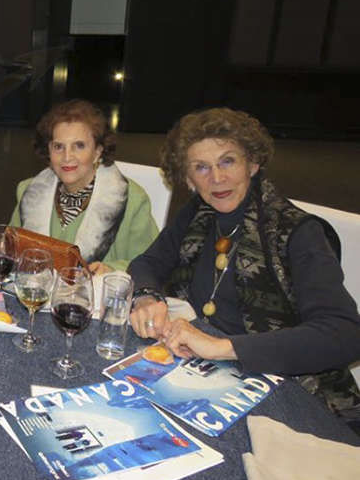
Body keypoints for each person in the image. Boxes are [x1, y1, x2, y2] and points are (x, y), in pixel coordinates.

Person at [128, 107, 360, 420]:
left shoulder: (297, 233)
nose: (217, 178)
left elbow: (344, 334)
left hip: (290, 394)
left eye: (228, 161)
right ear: (188, 178)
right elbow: (149, 262)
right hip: (206, 375)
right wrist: (146, 296)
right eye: (201, 167)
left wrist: (223, 347)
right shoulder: (199, 213)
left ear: (252, 163)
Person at [10, 100, 158, 274]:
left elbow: (152, 262)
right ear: (48, 151)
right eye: (58, 147)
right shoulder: (29, 192)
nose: (67, 157)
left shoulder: (132, 199)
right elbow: (9, 250)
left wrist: (111, 269)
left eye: (79, 146)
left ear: (97, 151)